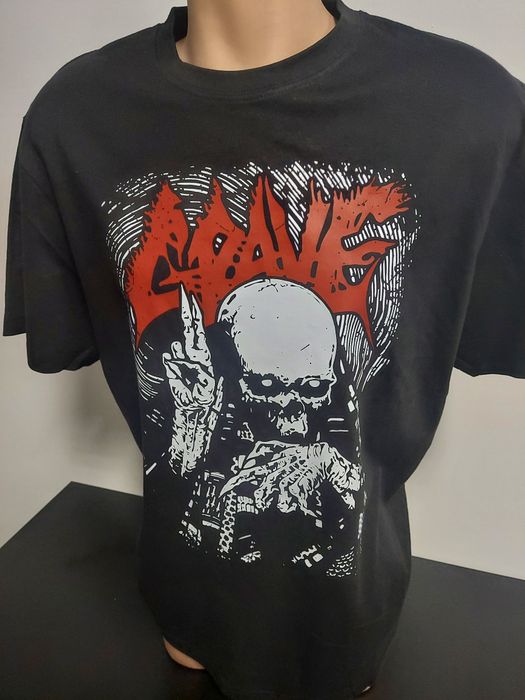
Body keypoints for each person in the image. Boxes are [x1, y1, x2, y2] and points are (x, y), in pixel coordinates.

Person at [3, 1, 524, 698]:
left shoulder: (475, 111)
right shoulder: (74, 117)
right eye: (267, 386)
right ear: (222, 375)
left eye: (309, 388)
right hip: (179, 603)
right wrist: (195, 432)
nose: (290, 413)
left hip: (353, 621)